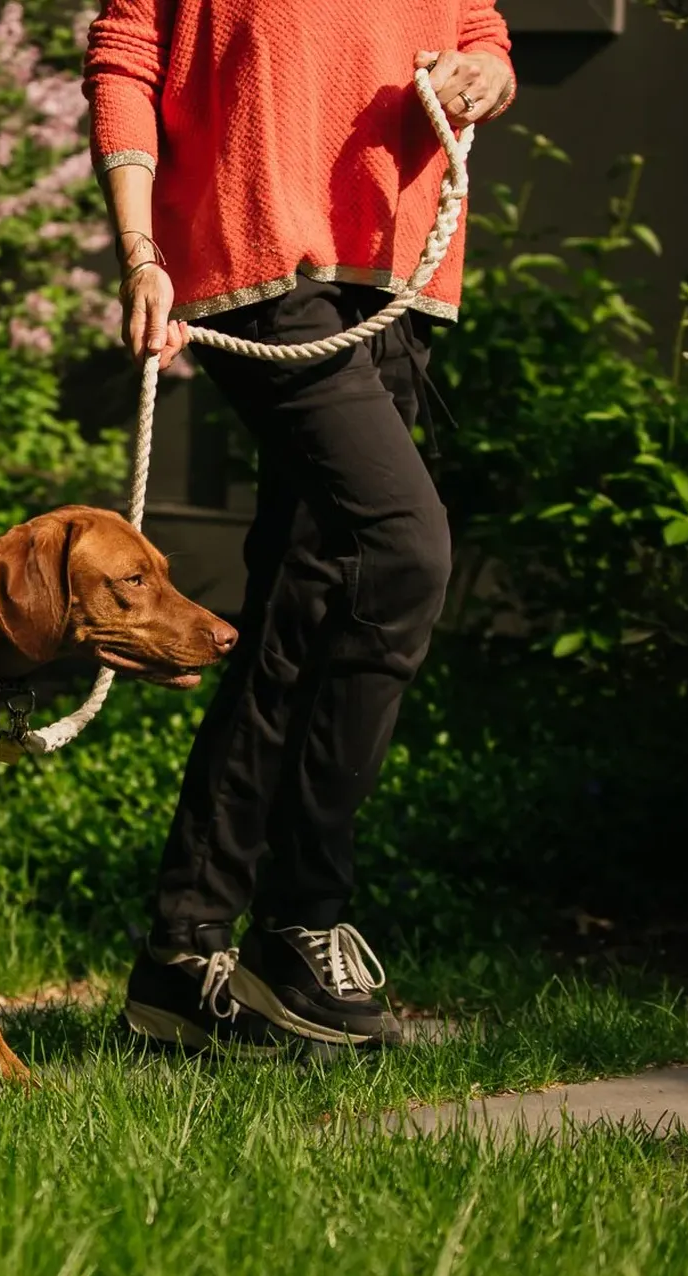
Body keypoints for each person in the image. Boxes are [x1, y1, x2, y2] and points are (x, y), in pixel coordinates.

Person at [83, 0, 516, 1051]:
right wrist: (141, 249)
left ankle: (183, 955)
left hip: (390, 273)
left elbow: (483, 33)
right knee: (406, 550)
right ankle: (302, 915)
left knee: (303, 604)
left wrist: (480, 79)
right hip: (254, 258)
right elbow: (126, 58)